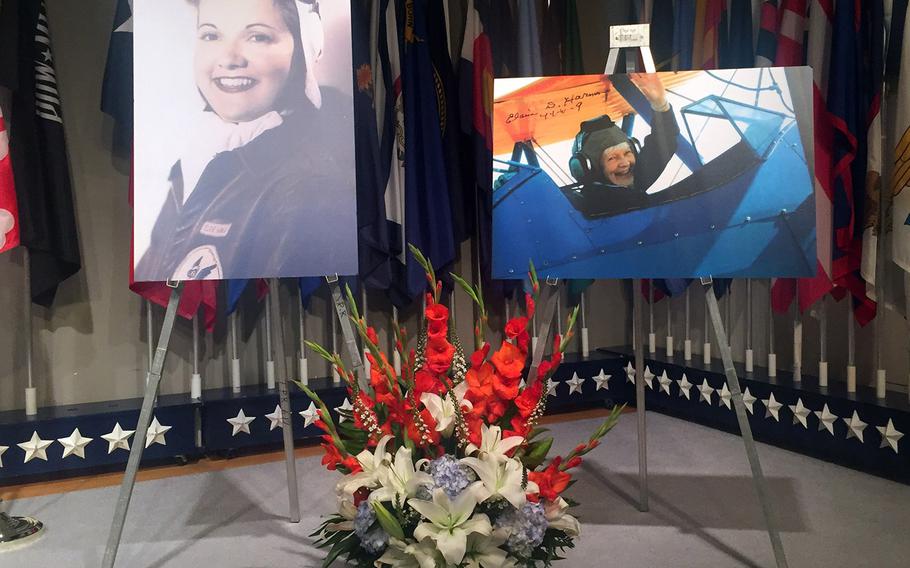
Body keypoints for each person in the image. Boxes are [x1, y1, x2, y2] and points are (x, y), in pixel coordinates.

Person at [135, 0, 357, 282]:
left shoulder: (313, 185)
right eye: (211, 35)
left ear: (304, 45)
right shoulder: (200, 157)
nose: (229, 58)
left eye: (257, 36)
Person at [567, 73, 679, 217]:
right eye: (612, 158)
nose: (624, 163)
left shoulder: (631, 181)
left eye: (627, 153)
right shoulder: (586, 206)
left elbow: (665, 141)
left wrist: (660, 104)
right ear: (587, 169)